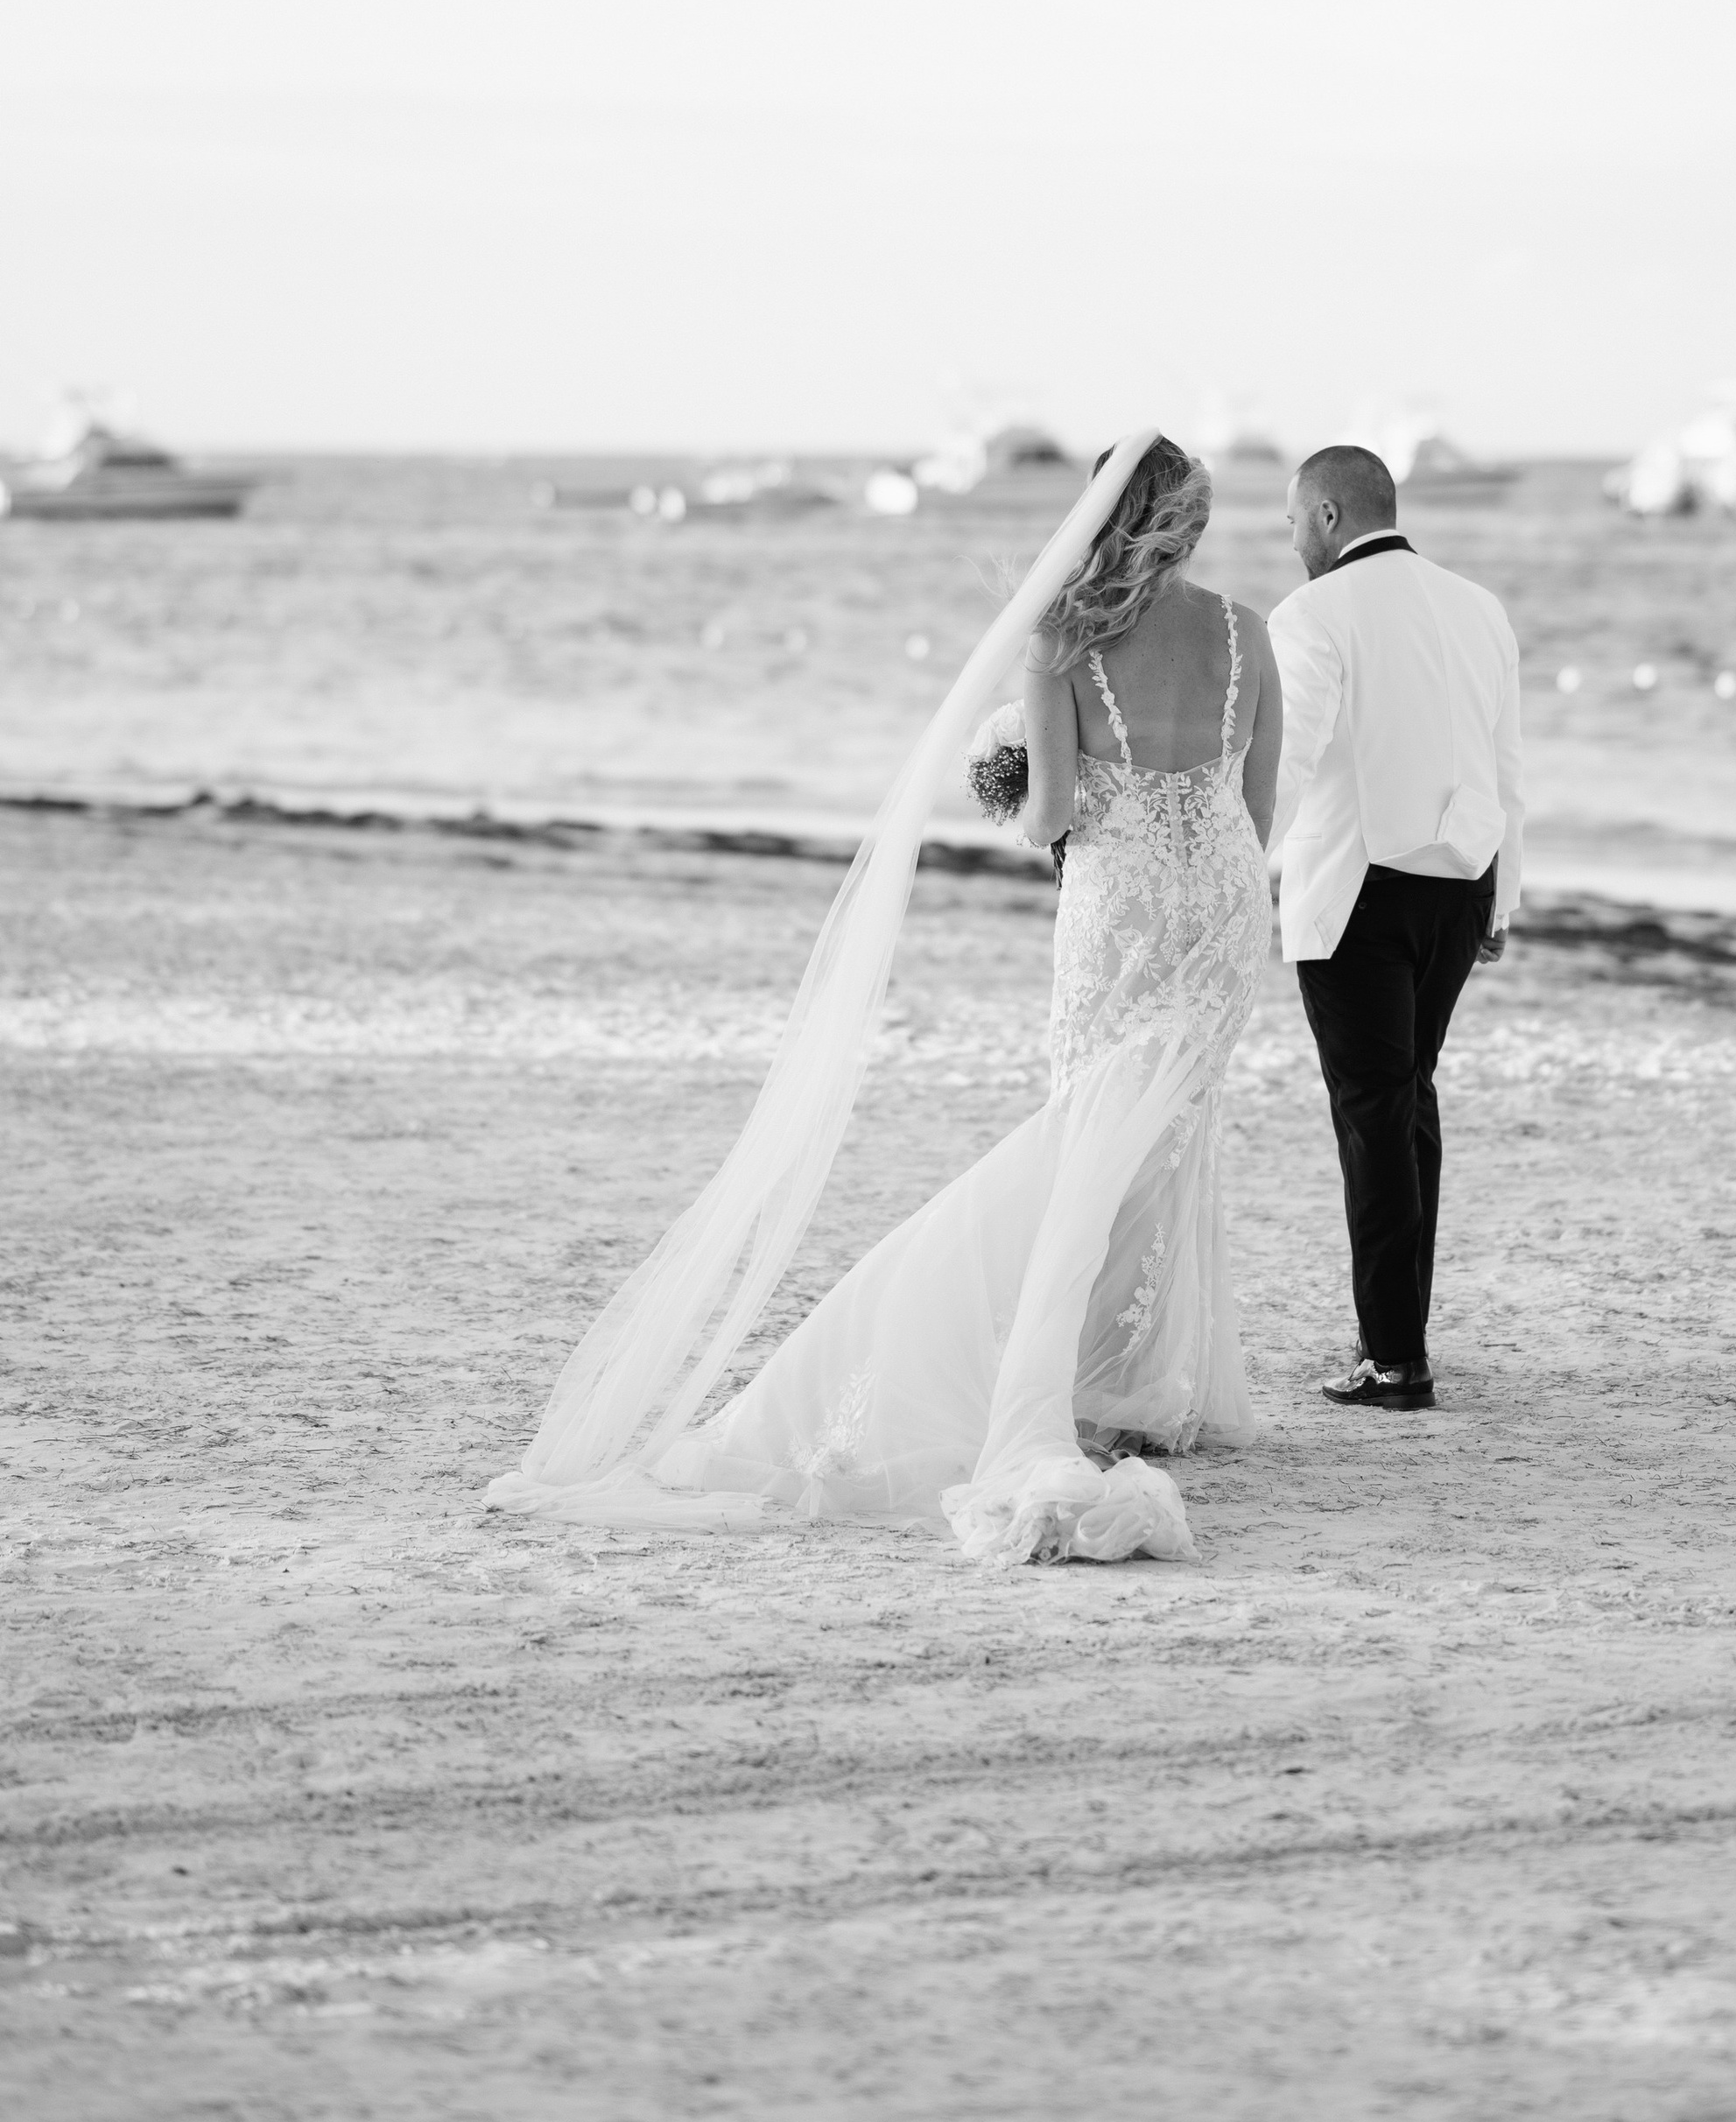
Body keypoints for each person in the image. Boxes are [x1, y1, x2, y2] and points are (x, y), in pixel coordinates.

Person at [486, 430, 1283, 1564]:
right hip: (1218, 909)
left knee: (1083, 1139)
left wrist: (1007, 775)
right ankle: (1148, 1382)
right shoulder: (1249, 634)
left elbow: (1057, 815)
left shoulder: (1063, 639)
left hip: (1118, 913)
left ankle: (1075, 1383)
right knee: (1165, 1133)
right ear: (1192, 519)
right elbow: (1258, 809)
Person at [1267, 445, 1524, 1410]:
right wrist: (1502, 897)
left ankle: (1393, 1359)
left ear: (1329, 516)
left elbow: (1292, 760)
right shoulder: (1477, 606)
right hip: (1458, 886)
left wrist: (1229, 855)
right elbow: (1508, 773)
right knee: (1408, 1103)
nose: (1290, 539)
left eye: (1292, 519)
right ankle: (1399, 1338)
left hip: (1356, 898)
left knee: (1374, 1113)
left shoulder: (1313, 613)